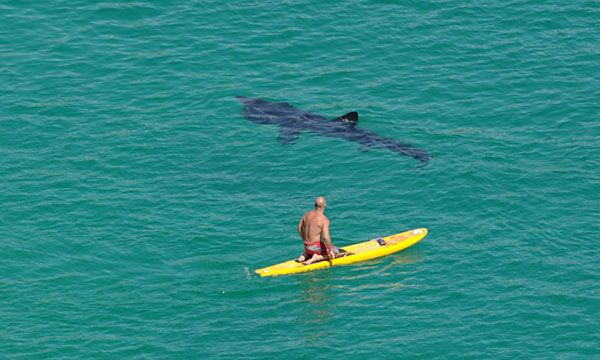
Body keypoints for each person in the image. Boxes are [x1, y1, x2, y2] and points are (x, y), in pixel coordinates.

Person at [296, 196, 339, 265]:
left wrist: (305, 239)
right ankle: (315, 258)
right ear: (325, 205)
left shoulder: (307, 214)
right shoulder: (324, 219)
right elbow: (325, 237)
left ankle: (305, 255)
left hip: (306, 246)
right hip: (315, 248)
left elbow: (299, 228)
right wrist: (331, 250)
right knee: (336, 251)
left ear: (314, 205)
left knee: (315, 246)